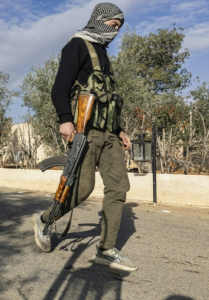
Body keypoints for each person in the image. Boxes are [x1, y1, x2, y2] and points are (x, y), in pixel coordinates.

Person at [31, 2, 138, 271]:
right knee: (83, 188)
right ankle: (45, 220)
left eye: (118, 28)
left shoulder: (104, 54)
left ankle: (106, 249)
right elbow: (59, 88)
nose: (114, 31)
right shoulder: (77, 46)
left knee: (119, 188)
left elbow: (108, 101)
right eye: (112, 25)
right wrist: (65, 120)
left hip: (109, 134)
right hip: (84, 131)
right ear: (99, 20)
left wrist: (120, 130)